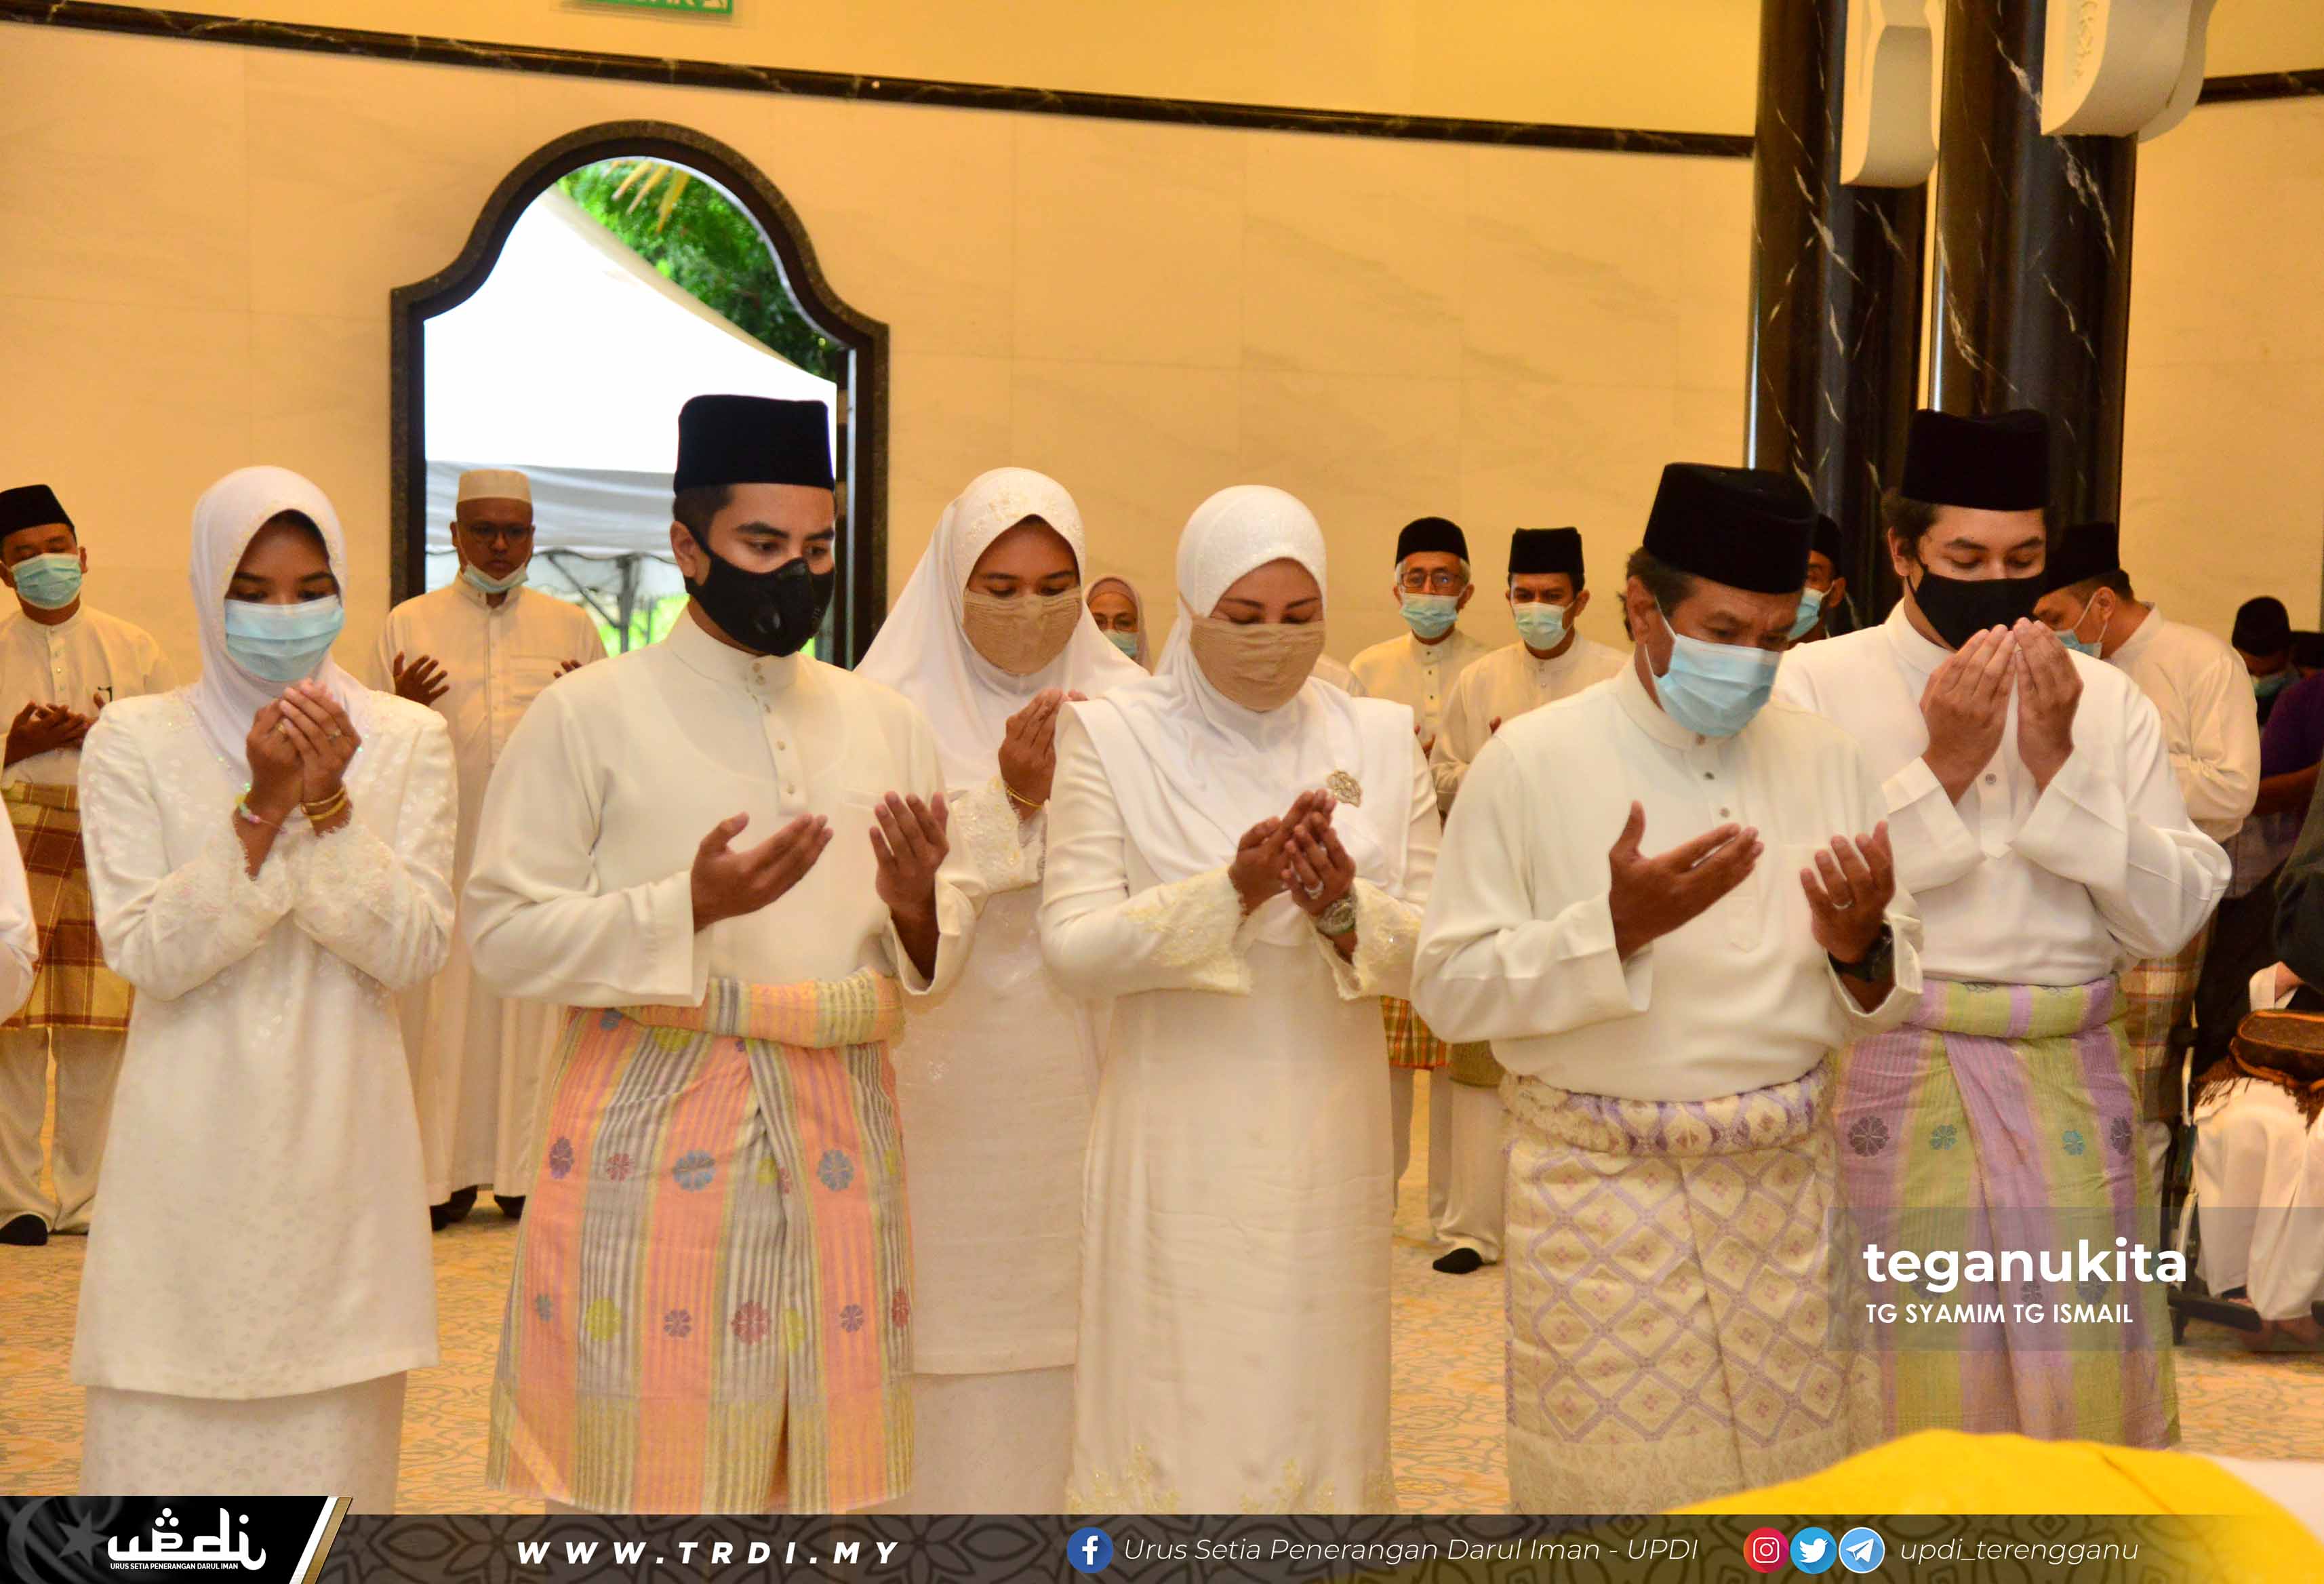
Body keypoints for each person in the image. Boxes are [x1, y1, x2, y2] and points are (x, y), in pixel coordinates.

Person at [465, 394, 982, 1516]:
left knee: (823, 1481)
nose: (795, 573)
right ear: (687, 545)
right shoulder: (587, 716)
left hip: (839, 1130)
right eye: (763, 546)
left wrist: (913, 908)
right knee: (651, 1478)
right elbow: (500, 934)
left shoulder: (884, 720)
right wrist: (679, 909)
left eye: (819, 548)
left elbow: (926, 953)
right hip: (652, 1136)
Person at [1413, 462, 1917, 1511]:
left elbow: (1888, 981)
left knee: (1795, 1506)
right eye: (1726, 633)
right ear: (1644, 607)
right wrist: (1612, 932)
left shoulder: (1827, 758)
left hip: (1786, 1208)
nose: (1753, 663)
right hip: (1601, 1213)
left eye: (1778, 639)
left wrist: (1857, 947)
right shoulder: (1531, 763)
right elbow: (1451, 992)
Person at [1774, 408, 2228, 1449]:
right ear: (1903, 553)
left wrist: (2063, 759)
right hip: (1898, 1063)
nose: (1997, 577)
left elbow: (2168, 911)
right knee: (1910, 1388)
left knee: (2083, 1394)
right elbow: (1802, 898)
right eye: (1964, 556)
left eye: (2023, 557)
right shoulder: (1815, 684)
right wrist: (1943, 766)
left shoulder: (2105, 701)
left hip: (2069, 1071)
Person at [1039, 484, 1436, 1513]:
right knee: (1178, 1400)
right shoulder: (1112, 739)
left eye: (1299, 617)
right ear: (1192, 609)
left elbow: (1443, 951)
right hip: (1177, 1138)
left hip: (1327, 1130)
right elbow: (1073, 949)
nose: (1274, 641)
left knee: (1313, 1393)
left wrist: (1346, 911)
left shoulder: (1384, 741)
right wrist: (1233, 890)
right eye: (1244, 617)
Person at [72, 466, 455, 1511]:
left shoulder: (405, 738)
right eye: (253, 588)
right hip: (184, 1160)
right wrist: (261, 805)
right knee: (167, 1478)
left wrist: (328, 806)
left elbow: (413, 947)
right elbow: (149, 952)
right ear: (207, 589)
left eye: (310, 586)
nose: (285, 615)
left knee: (326, 1481)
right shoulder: (134, 740)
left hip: (342, 1153)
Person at [856, 467, 1142, 1511]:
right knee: (949, 1340)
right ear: (949, 585)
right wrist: (1010, 803)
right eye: (1001, 585)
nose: (1031, 611)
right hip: (944, 1084)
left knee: (1088, 1332)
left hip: (1094, 1075)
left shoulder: (1134, 712)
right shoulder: (882, 715)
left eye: (1054, 584)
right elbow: (879, 921)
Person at [368, 468, 606, 1231]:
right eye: (484, 530)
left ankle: (525, 1173)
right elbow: (365, 744)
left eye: (516, 531)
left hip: (536, 858)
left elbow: (610, 744)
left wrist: (587, 709)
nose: (500, 545)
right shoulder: (407, 623)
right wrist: (398, 710)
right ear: (454, 534)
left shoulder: (571, 626)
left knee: (530, 1010)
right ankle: (437, 1175)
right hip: (439, 850)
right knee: (436, 1017)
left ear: (533, 537)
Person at [2032, 521, 2259, 1181]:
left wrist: (2121, 774)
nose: (2044, 632)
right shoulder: (2069, 670)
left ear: (2100, 602)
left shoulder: (2200, 658)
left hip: (2162, 890)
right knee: (2074, 1071)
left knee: (2140, 1077)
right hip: (2071, 894)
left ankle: (2134, 1248)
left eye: (2052, 615)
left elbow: (2232, 787)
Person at [0, 484, 174, 1247]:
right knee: (9, 1029)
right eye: (25, 554)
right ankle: (15, 1202)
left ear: (83, 554)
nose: (45, 563)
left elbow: (170, 757)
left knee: (98, 1032)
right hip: (9, 844)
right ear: (3, 573)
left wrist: (98, 740)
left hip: (106, 844)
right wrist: (16, 750)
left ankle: (85, 1199)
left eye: (55, 546)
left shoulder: (136, 648)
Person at [1349, 515, 1491, 1241]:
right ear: (1395, 584)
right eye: (1416, 578)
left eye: (1443, 579)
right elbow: (1346, 777)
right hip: (1394, 880)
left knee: (1461, 1065)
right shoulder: (1365, 669)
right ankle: (1373, 1211)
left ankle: (1452, 1220)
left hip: (1468, 883)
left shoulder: (1490, 667)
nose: (1429, 591)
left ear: (1465, 590)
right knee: (1386, 1071)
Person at [1431, 527, 1627, 797]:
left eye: (1552, 597)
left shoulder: (1618, 676)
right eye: (1524, 596)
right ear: (1509, 600)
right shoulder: (1478, 678)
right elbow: (1440, 775)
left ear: (1580, 603)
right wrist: (1490, 771)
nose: (1536, 607)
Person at [2235, 597, 2297, 726]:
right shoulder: (2214, 694)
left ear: (2290, 654)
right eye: (2249, 671)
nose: (2258, 680)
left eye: (2270, 673)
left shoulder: (2310, 702)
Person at [1792, 513, 1849, 642]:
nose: (1789, 588)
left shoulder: (1851, 662)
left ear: (1836, 592)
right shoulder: (1740, 659)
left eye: (1807, 577)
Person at [1085, 575, 1149, 669]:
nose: (1110, 633)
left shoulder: (1154, 683)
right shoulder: (1062, 682)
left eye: (1124, 623)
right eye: (1097, 623)